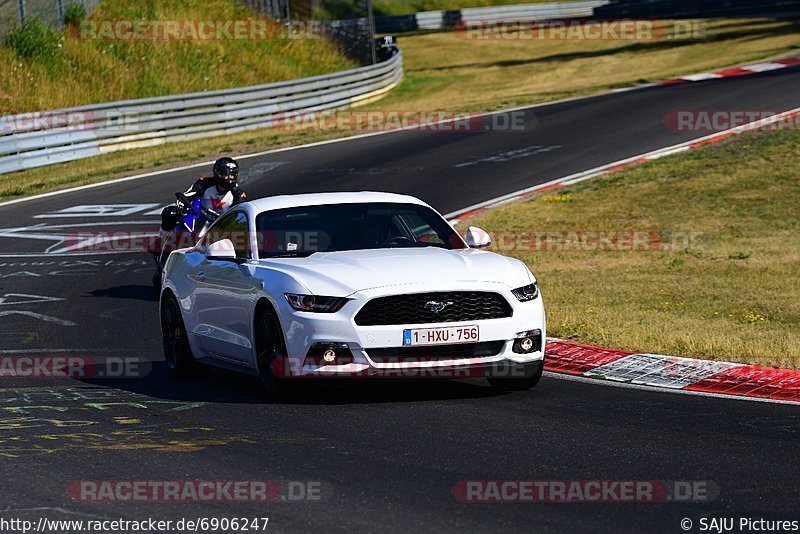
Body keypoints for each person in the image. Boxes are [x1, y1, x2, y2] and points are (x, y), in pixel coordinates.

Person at [159, 157, 247, 232]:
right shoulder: (204, 183)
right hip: (198, 218)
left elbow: (240, 217)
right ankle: (162, 241)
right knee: (169, 213)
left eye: (232, 175)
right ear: (218, 173)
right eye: (226, 175)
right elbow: (189, 194)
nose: (230, 178)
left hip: (221, 227)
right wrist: (181, 202)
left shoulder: (238, 195)